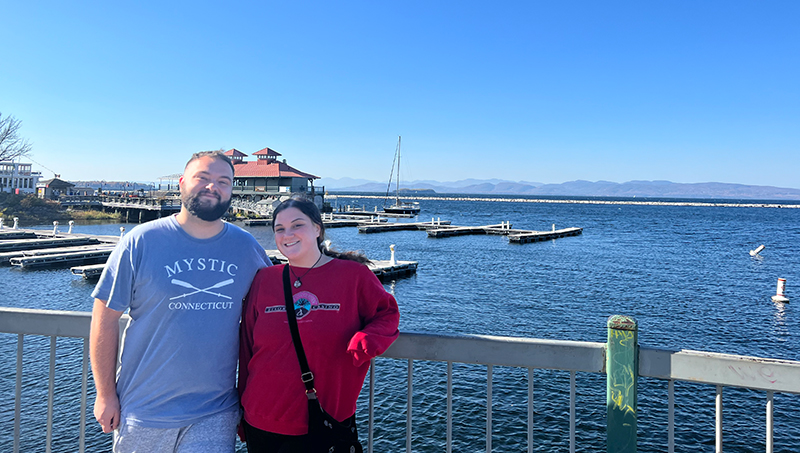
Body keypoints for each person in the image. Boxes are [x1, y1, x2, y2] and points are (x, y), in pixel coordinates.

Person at [90, 151, 270, 453]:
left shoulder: (247, 247)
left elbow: (282, 302)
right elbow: (104, 319)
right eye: (203, 178)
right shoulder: (141, 241)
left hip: (215, 412)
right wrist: (105, 394)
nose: (213, 186)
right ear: (182, 182)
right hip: (144, 411)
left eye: (223, 181)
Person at [238, 196, 400, 452]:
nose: (287, 234)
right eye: (279, 229)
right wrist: (241, 408)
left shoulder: (353, 276)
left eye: (297, 225)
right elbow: (246, 347)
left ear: (317, 228)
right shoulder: (264, 279)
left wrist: (367, 341)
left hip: (324, 421)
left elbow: (387, 313)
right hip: (260, 421)